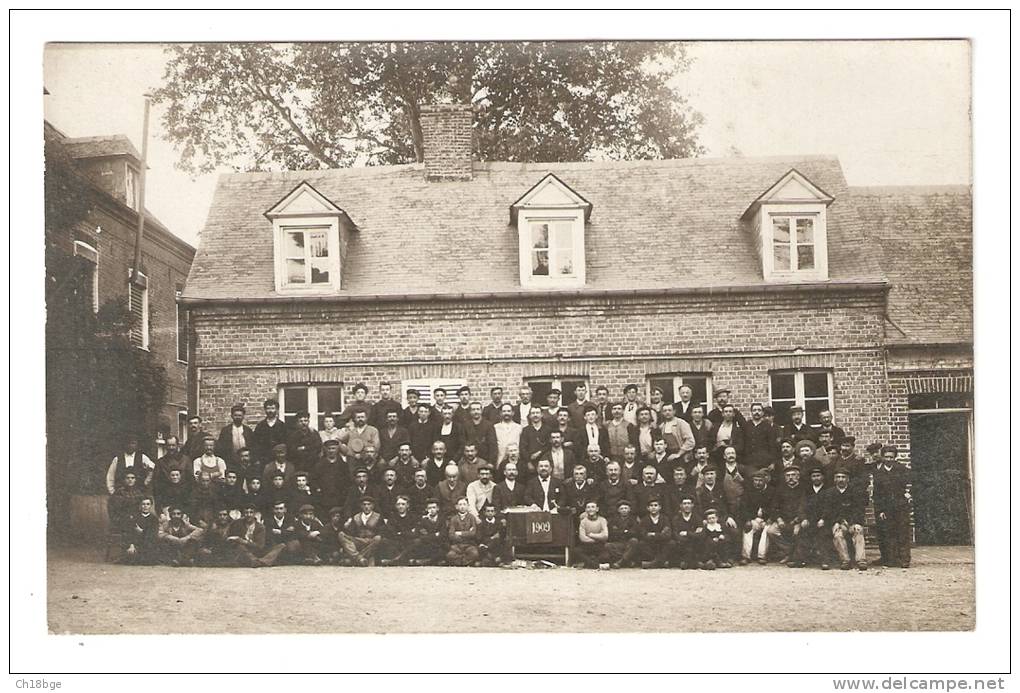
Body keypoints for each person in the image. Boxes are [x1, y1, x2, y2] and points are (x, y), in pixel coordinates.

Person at [873, 445, 912, 568]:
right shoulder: (879, 473)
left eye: (891, 457)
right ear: (882, 457)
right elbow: (877, 494)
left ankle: (904, 559)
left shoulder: (902, 469)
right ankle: (889, 559)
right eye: (886, 457)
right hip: (886, 508)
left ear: (895, 457)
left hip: (900, 506)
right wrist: (880, 510)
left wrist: (908, 496)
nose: (889, 459)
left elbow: (910, 485)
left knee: (903, 533)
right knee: (887, 533)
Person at [824, 467, 869, 571]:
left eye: (843, 477)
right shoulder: (829, 493)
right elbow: (828, 511)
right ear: (834, 479)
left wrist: (854, 522)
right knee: (838, 533)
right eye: (838, 477)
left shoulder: (855, 491)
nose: (841, 479)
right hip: (839, 523)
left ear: (848, 479)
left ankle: (861, 560)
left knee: (858, 530)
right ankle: (845, 560)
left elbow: (859, 509)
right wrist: (837, 521)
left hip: (853, 522)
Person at [767, 465, 808, 567]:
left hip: (797, 519)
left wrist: (797, 520)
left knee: (797, 532)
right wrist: (779, 519)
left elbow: (804, 507)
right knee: (771, 531)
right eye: (788, 475)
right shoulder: (780, 489)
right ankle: (789, 551)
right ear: (785, 477)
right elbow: (774, 507)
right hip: (783, 519)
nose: (790, 478)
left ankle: (795, 557)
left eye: (793, 475)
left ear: (798, 476)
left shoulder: (804, 488)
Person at [740, 468, 773, 565]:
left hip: (767, 519)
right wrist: (748, 520)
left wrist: (771, 518)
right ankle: (746, 556)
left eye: (760, 480)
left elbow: (776, 507)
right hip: (754, 519)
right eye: (755, 480)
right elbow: (743, 507)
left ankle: (761, 556)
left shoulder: (772, 491)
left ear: (765, 480)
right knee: (748, 529)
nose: (757, 483)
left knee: (767, 531)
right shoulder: (749, 491)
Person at [340, 496, 385, 566]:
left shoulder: (378, 516)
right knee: (341, 534)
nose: (366, 507)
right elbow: (351, 533)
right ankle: (360, 558)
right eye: (364, 504)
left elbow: (382, 531)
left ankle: (356, 559)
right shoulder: (356, 517)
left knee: (378, 538)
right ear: (361, 506)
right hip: (359, 541)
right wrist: (347, 526)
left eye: (369, 504)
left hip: (371, 542)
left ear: (373, 506)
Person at [804, 465, 833, 569]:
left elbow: (829, 507)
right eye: (814, 476)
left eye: (818, 475)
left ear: (822, 477)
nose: (816, 478)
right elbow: (802, 506)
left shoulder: (828, 490)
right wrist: (804, 518)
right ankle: (800, 559)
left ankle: (825, 561)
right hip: (810, 519)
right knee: (802, 532)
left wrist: (823, 519)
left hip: (824, 520)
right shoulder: (807, 490)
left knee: (823, 534)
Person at [380, 495, 419, 566]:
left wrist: (400, 533)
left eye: (403, 504)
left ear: (408, 505)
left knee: (417, 541)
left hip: (408, 542)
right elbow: (390, 532)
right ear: (395, 506)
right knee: (384, 541)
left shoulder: (413, 517)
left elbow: (415, 533)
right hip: (396, 542)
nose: (400, 506)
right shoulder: (392, 517)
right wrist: (406, 533)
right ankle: (402, 560)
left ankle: (395, 560)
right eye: (398, 504)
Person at [256, 500, 297, 567]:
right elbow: (267, 533)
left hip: (288, 544)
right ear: (273, 510)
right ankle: (265, 561)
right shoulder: (267, 520)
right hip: (273, 544)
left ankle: (264, 561)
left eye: (281, 508)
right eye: (276, 509)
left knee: (292, 544)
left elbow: (293, 533)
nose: (279, 511)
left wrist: (280, 532)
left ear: (285, 510)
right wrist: (285, 531)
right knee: (279, 546)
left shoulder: (291, 519)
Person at [313, 439, 349, 514]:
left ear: (337, 449)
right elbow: (314, 480)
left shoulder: (343, 465)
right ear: (325, 450)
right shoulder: (319, 465)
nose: (331, 451)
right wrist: (318, 490)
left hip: (339, 499)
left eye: (333, 448)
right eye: (329, 448)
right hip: (324, 499)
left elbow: (347, 481)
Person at [225, 502, 267, 567]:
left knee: (280, 547)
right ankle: (257, 561)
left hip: (255, 551)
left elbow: (260, 546)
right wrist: (233, 539)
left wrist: (243, 541)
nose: (249, 515)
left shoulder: (260, 527)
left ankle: (256, 560)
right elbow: (229, 536)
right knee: (239, 547)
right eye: (246, 512)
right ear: (243, 514)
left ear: (255, 514)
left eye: (251, 512)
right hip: (241, 551)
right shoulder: (237, 523)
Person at [120, 497, 159, 564]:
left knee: (149, 558)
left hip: (148, 545)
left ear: (151, 506)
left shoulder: (154, 519)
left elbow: (153, 534)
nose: (145, 506)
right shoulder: (135, 517)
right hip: (136, 543)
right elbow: (130, 532)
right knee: (130, 555)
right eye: (143, 504)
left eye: (148, 504)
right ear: (140, 505)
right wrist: (131, 544)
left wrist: (142, 531)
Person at [153, 436, 191, 507]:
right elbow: (156, 485)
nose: (171, 448)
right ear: (166, 446)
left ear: (178, 445)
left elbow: (191, 482)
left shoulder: (186, 460)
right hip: (166, 500)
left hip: (184, 500)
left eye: (173, 445)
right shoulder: (160, 462)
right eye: (169, 445)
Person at [252, 398, 288, 465]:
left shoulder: (282, 426)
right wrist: (257, 459)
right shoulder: (260, 426)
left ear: (277, 410)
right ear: (265, 410)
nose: (270, 411)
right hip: (263, 460)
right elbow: (255, 444)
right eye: (268, 408)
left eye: (273, 408)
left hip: (279, 459)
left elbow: (286, 443)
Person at [638, 497, 672, 569]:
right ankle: (661, 562)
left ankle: (653, 563)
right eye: (651, 505)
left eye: (656, 505)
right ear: (648, 508)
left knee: (671, 543)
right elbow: (643, 534)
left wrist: (654, 534)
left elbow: (667, 535)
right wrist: (659, 535)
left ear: (660, 507)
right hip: (650, 545)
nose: (653, 507)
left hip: (662, 544)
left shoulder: (665, 519)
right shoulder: (644, 520)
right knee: (641, 543)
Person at [575, 500, 610, 569]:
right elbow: (582, 538)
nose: (590, 509)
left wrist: (591, 535)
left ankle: (589, 564)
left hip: (599, 545)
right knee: (576, 551)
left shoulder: (602, 520)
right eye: (588, 507)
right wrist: (598, 538)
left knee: (606, 555)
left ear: (597, 509)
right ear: (585, 510)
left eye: (593, 507)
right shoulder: (583, 521)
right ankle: (597, 566)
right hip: (587, 545)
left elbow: (605, 535)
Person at [411, 500, 447, 566]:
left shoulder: (442, 519)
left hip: (439, 544)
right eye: (429, 508)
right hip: (428, 544)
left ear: (437, 509)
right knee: (417, 543)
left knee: (444, 548)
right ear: (426, 509)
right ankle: (432, 561)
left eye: (434, 507)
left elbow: (443, 534)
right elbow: (419, 534)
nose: (432, 510)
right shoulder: (423, 520)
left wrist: (429, 535)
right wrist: (435, 534)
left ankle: (426, 561)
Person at [607, 498, 641, 568]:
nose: (624, 510)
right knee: (607, 545)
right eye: (622, 508)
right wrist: (625, 532)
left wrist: (621, 532)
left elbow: (635, 532)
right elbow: (611, 533)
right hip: (618, 543)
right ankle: (627, 561)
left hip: (629, 543)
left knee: (634, 541)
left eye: (626, 508)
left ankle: (620, 562)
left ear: (629, 509)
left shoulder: (634, 519)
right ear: (618, 510)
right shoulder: (613, 520)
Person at [670, 495, 702, 569]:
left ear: (692, 505)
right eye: (684, 504)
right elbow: (675, 534)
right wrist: (693, 534)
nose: (687, 506)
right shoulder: (676, 518)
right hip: (682, 544)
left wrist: (687, 533)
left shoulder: (697, 518)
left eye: (689, 503)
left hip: (694, 544)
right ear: (680, 505)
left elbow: (701, 534)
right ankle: (690, 562)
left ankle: (687, 562)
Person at [446, 497, 479, 566]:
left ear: (468, 506)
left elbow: (473, 533)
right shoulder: (453, 519)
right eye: (460, 504)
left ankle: (461, 562)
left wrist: (459, 533)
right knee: (450, 555)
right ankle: (464, 562)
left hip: (469, 544)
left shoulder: (472, 518)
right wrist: (467, 534)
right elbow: (451, 534)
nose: (462, 507)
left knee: (474, 553)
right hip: (457, 545)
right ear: (456, 507)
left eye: (464, 504)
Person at [743, 402, 777, 470]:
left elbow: (772, 445)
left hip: (764, 462)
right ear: (751, 412)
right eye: (754, 410)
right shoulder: (746, 425)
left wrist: (773, 462)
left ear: (762, 413)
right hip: (748, 462)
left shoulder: (767, 426)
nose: (757, 412)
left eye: (759, 410)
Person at [519, 406, 551, 472]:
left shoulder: (548, 429)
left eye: (537, 413)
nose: (535, 415)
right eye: (533, 413)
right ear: (530, 415)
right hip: (530, 463)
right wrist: (528, 462)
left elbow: (549, 445)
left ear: (542, 415)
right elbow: (522, 448)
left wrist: (539, 452)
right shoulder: (526, 430)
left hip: (545, 462)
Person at [493, 403, 524, 470]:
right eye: (504, 411)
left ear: (513, 413)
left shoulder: (519, 427)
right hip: (500, 460)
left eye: (508, 411)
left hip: (515, 461)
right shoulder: (495, 427)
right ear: (500, 413)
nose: (506, 413)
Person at [476, 501, 508, 567]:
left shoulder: (499, 523)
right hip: (485, 545)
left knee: (500, 544)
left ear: (495, 512)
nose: (490, 513)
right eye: (488, 511)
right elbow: (479, 537)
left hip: (496, 545)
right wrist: (491, 538)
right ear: (485, 513)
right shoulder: (481, 524)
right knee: (481, 548)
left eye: (492, 511)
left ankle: (489, 561)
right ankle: (495, 560)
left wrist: (493, 539)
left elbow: (501, 536)